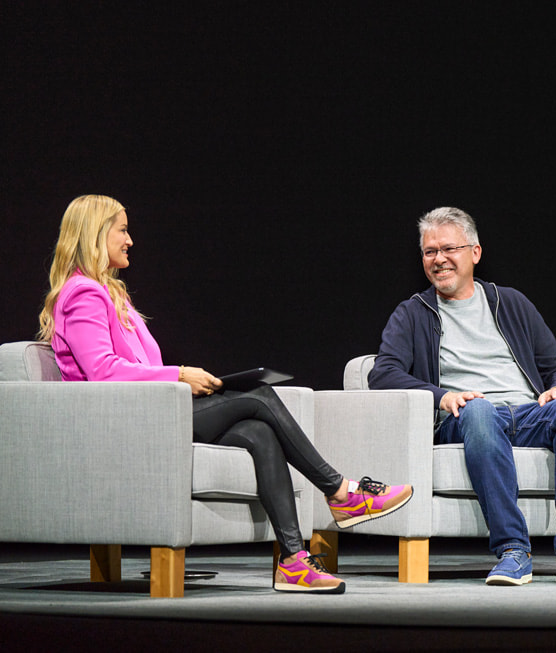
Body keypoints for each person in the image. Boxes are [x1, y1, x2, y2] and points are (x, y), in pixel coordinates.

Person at [38, 195, 413, 595]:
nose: (130, 240)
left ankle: (293, 562)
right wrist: (180, 375)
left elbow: (135, 365)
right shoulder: (83, 293)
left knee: (259, 432)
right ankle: (340, 491)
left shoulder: (113, 294)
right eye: (123, 230)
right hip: (125, 421)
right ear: (96, 235)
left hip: (154, 412)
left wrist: (185, 379)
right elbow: (102, 371)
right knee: (259, 395)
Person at [368, 206, 556, 586]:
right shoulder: (413, 313)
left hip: (529, 413)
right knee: (478, 410)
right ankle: (514, 550)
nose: (439, 260)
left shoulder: (510, 302)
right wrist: (442, 396)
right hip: (466, 416)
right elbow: (383, 373)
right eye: (430, 252)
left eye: (449, 249)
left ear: (475, 253)